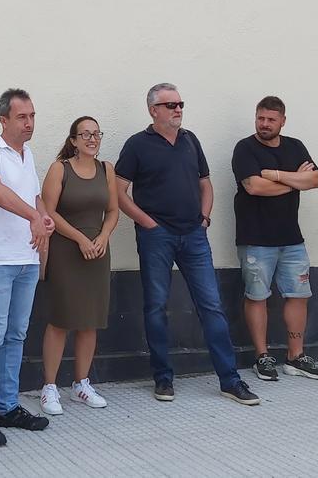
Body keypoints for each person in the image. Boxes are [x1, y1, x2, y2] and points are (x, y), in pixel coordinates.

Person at [114, 83, 259, 406]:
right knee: (156, 307)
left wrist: (204, 218)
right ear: (153, 110)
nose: (178, 109)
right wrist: (147, 223)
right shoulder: (137, 145)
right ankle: (163, 378)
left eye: (180, 104)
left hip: (194, 235)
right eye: (170, 105)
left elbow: (205, 183)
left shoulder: (190, 140)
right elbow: (119, 191)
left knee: (211, 307)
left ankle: (230, 380)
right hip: (157, 237)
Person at [0, 89, 55, 447]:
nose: (29, 123)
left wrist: (44, 217)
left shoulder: (27, 153)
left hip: (26, 258)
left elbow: (33, 195)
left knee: (17, 336)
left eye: (32, 115)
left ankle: (7, 406)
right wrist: (34, 215)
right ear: (3, 120)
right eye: (22, 117)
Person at [232, 96, 318, 382]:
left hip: (291, 239)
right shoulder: (245, 148)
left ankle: (295, 357)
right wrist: (292, 180)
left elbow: (314, 180)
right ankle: (262, 357)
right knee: (257, 297)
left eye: (271, 119)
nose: (264, 124)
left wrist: (275, 176)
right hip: (256, 239)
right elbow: (254, 187)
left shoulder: (295, 146)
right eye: (260, 118)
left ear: (282, 121)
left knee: (299, 296)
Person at [38, 116, 119, 415]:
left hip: (97, 253)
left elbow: (112, 210)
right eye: (85, 134)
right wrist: (79, 239)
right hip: (66, 251)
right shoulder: (61, 169)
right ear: (73, 140)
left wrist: (103, 235)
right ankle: (49, 387)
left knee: (90, 320)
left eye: (96, 133)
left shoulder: (106, 169)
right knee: (61, 319)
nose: (91, 138)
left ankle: (81, 384)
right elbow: (49, 212)